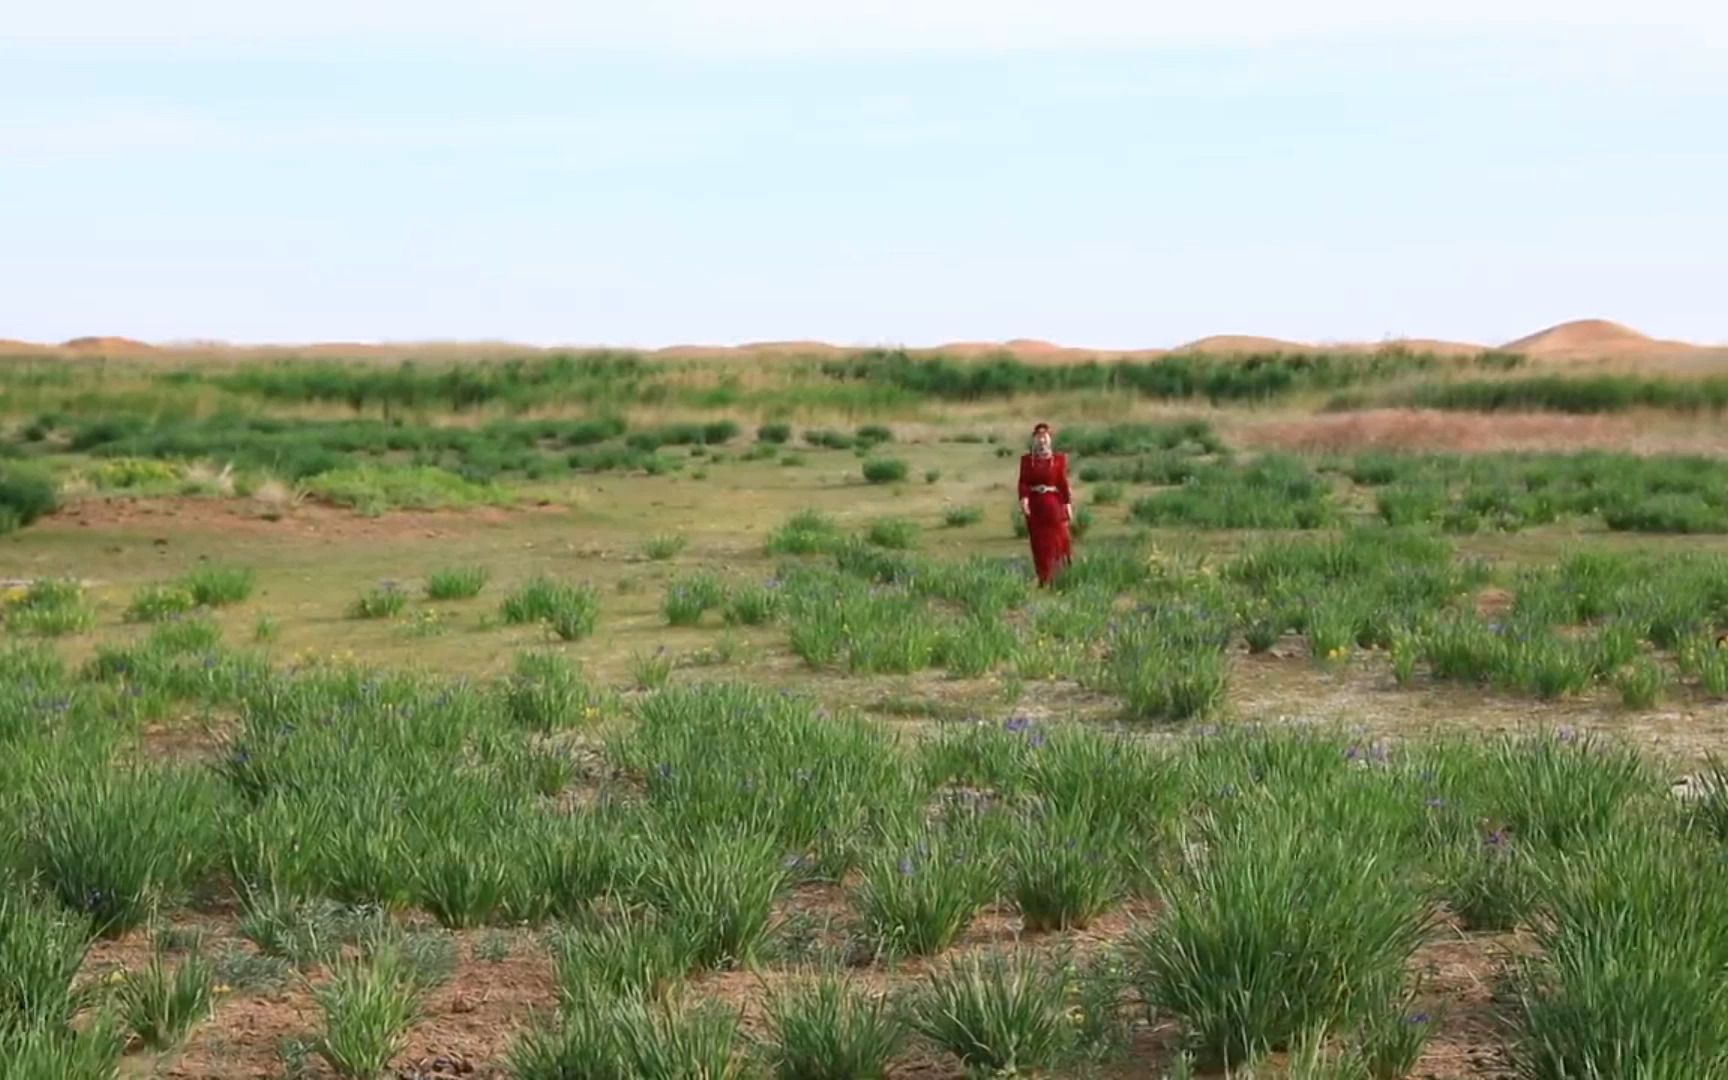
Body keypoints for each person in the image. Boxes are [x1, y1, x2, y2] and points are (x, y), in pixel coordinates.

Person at [1018, 422, 1073, 586]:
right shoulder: (1028, 461)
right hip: (1036, 506)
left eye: (1044, 438)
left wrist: (1067, 503)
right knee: (1039, 541)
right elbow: (1024, 482)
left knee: (1058, 537)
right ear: (1034, 440)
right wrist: (1024, 499)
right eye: (1038, 438)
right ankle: (1044, 576)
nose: (1041, 441)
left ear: (1049, 440)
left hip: (1053, 503)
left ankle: (1061, 574)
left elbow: (1062, 483)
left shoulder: (1058, 460)